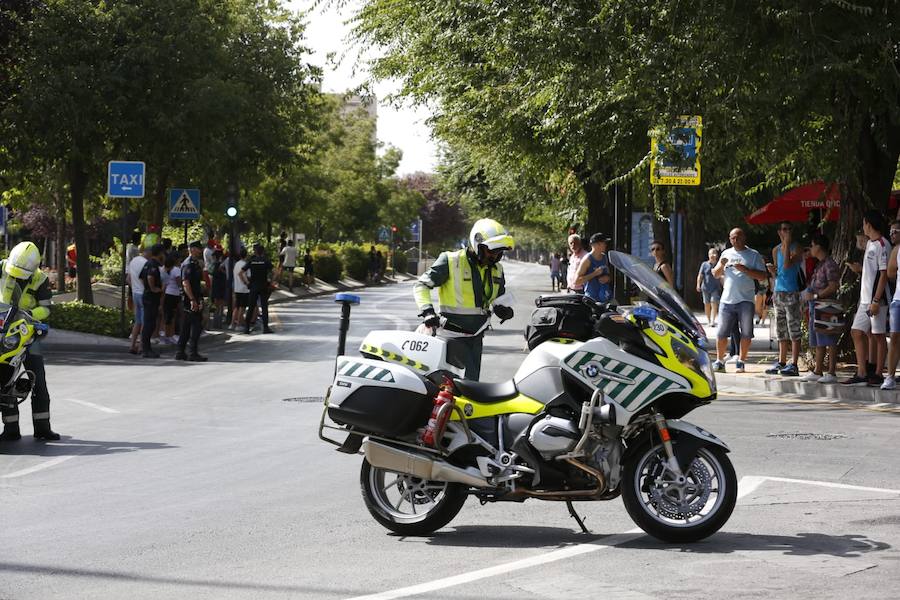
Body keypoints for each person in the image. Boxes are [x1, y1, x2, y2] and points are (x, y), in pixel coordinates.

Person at [414, 218, 514, 380]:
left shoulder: (497, 269)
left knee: (472, 386)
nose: (495, 256)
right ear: (477, 244)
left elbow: (498, 297)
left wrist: (504, 310)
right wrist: (427, 311)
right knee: (451, 387)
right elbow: (421, 286)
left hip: (476, 337)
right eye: (491, 250)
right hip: (450, 336)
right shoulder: (451, 261)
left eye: (499, 251)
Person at [0, 242, 60, 441]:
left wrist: (29, 315)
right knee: (4, 381)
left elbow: (47, 309)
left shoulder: (40, 279)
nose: (16, 276)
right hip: (3, 331)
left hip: (28, 333)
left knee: (38, 378)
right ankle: (10, 430)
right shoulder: (1, 268)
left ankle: (43, 428)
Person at [843, 210, 891, 386]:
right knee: (857, 332)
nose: (862, 227)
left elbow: (884, 274)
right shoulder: (870, 244)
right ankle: (862, 372)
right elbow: (872, 272)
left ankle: (878, 373)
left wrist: (877, 300)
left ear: (869, 224)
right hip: (865, 299)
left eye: (863, 223)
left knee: (878, 336)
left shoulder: (882, 244)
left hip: (878, 299)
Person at [711, 228, 768, 374]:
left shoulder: (753, 255)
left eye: (737, 237)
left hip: (746, 300)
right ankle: (719, 361)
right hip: (727, 300)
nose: (734, 241)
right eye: (732, 238)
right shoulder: (726, 253)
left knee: (746, 333)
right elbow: (716, 274)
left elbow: (762, 276)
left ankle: (741, 361)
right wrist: (721, 265)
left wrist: (745, 270)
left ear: (744, 237)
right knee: (721, 332)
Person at [799, 234, 840, 384]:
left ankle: (831, 372)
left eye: (812, 244)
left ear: (819, 246)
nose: (811, 248)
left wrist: (816, 296)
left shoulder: (829, 264)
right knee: (818, 340)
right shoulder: (819, 264)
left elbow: (833, 286)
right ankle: (818, 371)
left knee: (829, 338)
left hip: (826, 305)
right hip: (815, 306)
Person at [765, 221, 804, 377]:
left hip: (792, 292)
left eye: (788, 229)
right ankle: (781, 361)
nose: (786, 232)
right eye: (783, 229)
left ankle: (793, 363)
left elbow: (787, 264)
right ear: (779, 232)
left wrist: (787, 244)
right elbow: (779, 271)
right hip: (779, 291)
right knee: (781, 329)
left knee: (794, 328)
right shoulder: (776, 250)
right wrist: (772, 271)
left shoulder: (797, 248)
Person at [176, 241, 207, 362]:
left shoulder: (195, 263)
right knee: (196, 325)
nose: (200, 251)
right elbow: (185, 283)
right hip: (190, 299)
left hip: (194, 297)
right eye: (198, 249)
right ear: (192, 249)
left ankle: (180, 351)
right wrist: (193, 300)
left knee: (186, 326)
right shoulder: (188, 264)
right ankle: (192, 352)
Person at [139, 244, 165, 358]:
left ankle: (147, 347)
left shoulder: (147, 263)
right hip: (151, 297)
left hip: (148, 295)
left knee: (150, 323)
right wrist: (153, 288)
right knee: (149, 324)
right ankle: (146, 349)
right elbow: (150, 277)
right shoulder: (153, 265)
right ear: (159, 253)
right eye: (163, 253)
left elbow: (141, 277)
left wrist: (147, 287)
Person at [883, 221, 900, 389]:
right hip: (898, 300)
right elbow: (890, 272)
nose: (892, 234)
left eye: (895, 231)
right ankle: (890, 376)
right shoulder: (896, 250)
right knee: (894, 336)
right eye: (891, 231)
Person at [243, 243, 274, 334]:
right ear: (263, 252)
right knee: (264, 307)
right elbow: (275, 272)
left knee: (251, 307)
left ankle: (247, 328)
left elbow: (241, 273)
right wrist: (272, 281)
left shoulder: (251, 261)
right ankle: (265, 328)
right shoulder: (265, 261)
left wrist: (247, 282)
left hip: (253, 286)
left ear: (256, 251)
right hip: (263, 286)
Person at [127, 242, 150, 355]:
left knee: (138, 321)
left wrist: (134, 287)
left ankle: (132, 345)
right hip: (143, 293)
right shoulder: (146, 263)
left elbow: (128, 279)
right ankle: (141, 346)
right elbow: (145, 279)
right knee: (145, 321)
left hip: (135, 293)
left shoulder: (133, 261)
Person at [575, 232, 612, 303]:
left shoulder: (604, 257)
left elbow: (609, 275)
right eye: (604, 243)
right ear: (597, 244)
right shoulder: (587, 259)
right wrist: (594, 274)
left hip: (605, 297)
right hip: (591, 299)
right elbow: (577, 281)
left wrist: (607, 279)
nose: (606, 245)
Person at [696, 248, 722, 327]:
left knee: (714, 303)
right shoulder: (704, 264)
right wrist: (698, 284)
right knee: (707, 304)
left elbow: (722, 276)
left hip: (715, 288)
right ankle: (708, 320)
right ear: (708, 255)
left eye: (714, 253)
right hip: (705, 288)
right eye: (711, 253)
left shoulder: (718, 264)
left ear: (717, 255)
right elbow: (700, 275)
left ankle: (713, 321)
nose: (712, 255)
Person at [161, 255, 181, 344]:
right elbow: (179, 282)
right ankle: (169, 335)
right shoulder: (176, 270)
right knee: (171, 315)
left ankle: (168, 335)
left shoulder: (163, 269)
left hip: (167, 293)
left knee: (168, 315)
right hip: (174, 294)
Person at [231, 247, 249, 330]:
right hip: (244, 289)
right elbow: (244, 275)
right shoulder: (245, 264)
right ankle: (238, 325)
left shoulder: (236, 264)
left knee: (236, 307)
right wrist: (246, 283)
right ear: (246, 255)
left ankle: (232, 324)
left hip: (236, 288)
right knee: (242, 307)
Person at [210, 249, 228, 329]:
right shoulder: (220, 265)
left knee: (217, 306)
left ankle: (216, 322)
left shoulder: (213, 265)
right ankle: (218, 323)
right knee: (220, 306)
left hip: (215, 287)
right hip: (220, 287)